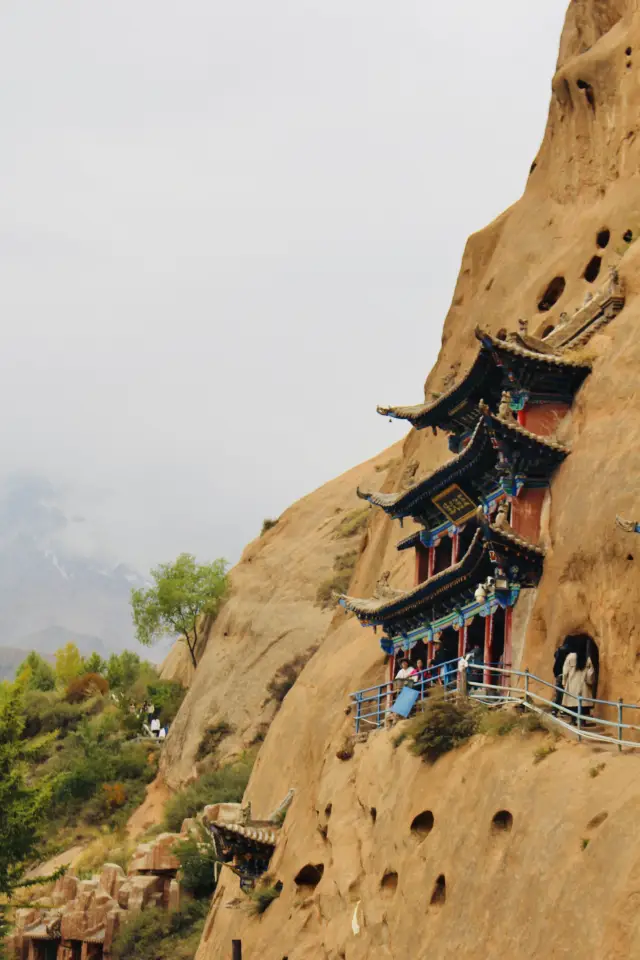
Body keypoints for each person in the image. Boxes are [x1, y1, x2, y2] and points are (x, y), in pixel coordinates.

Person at [562, 636, 595, 723]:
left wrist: (564, 681)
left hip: (572, 684)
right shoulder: (587, 659)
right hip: (583, 686)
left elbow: (565, 671)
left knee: (573, 703)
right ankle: (582, 722)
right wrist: (590, 682)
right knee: (583, 704)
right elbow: (590, 672)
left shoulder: (570, 656)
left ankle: (573, 720)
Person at [552, 641, 570, 715]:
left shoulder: (559, 651)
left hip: (558, 674)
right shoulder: (568, 652)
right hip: (564, 675)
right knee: (563, 694)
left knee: (559, 693)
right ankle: (561, 710)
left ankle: (555, 710)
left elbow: (555, 656)